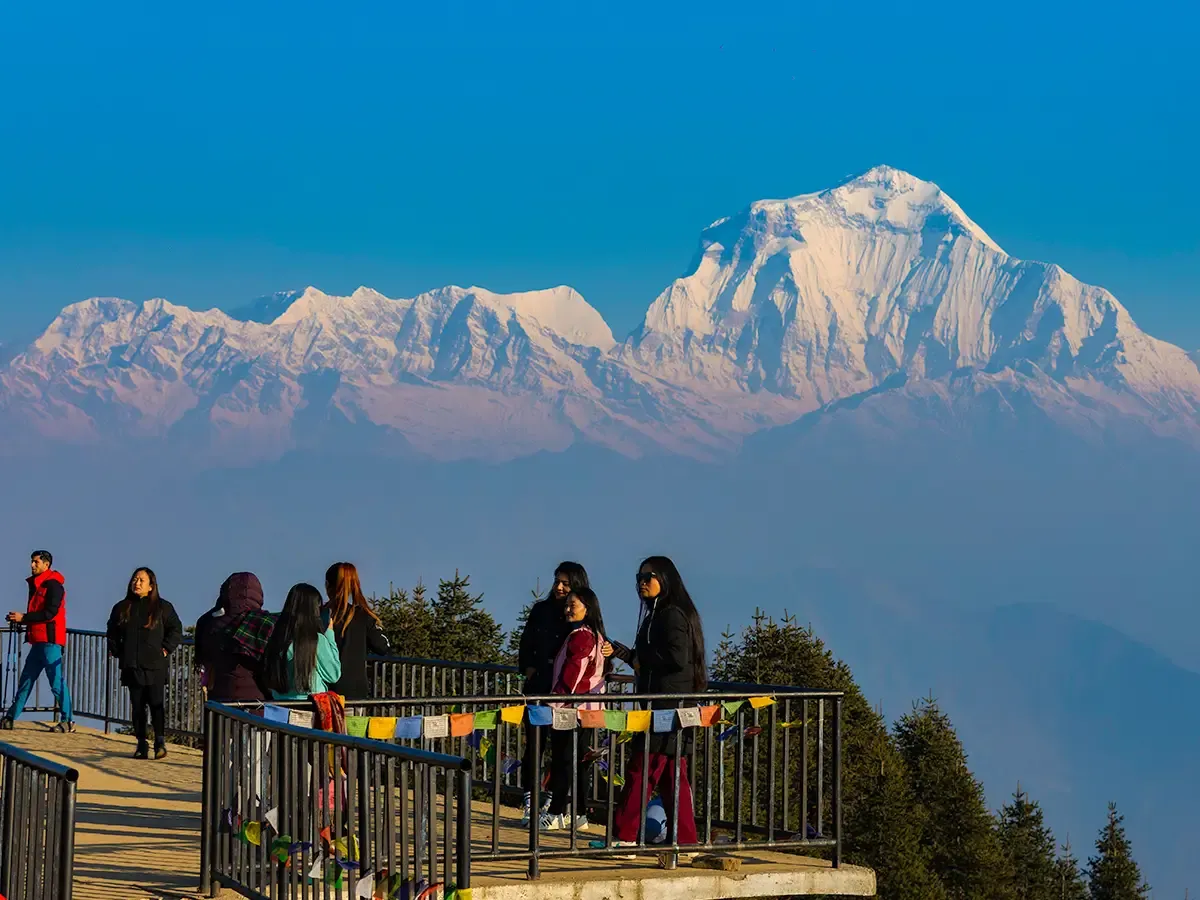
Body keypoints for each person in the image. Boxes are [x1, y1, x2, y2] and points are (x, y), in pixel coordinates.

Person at [607, 556, 706, 847]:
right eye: (638, 577)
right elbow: (652, 659)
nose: (642, 582)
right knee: (672, 779)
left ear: (665, 579)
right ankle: (686, 842)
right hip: (665, 707)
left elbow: (677, 658)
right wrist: (628, 656)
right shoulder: (657, 613)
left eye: (648, 577)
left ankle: (625, 838)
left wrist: (642, 659)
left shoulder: (671, 614)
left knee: (642, 772)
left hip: (666, 709)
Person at [516, 561, 590, 825]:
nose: (559, 587)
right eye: (557, 581)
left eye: (566, 583)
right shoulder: (541, 610)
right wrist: (529, 670)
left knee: (561, 750)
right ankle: (530, 799)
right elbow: (526, 642)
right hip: (539, 684)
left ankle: (551, 801)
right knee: (534, 746)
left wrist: (610, 652)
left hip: (565, 692)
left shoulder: (581, 615)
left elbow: (594, 646)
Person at [541, 586, 609, 831]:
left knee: (564, 760)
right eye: (567, 605)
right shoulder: (597, 636)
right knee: (579, 761)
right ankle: (579, 814)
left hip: (572, 708)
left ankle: (556, 812)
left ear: (587, 609)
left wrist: (554, 701)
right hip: (590, 708)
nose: (568, 609)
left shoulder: (581, 636)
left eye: (573, 605)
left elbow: (573, 673)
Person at [105, 567, 183, 759]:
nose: (137, 583)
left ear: (151, 585)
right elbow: (112, 632)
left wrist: (165, 649)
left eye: (141, 580)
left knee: (156, 704)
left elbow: (175, 629)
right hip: (132, 665)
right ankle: (141, 743)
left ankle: (160, 742)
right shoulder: (122, 607)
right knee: (138, 706)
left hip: (155, 665)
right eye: (135, 579)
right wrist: (118, 651)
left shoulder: (163, 607)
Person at [1, 550, 74, 732]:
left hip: (50, 641)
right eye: (32, 562)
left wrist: (24, 618)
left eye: (36, 562)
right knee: (26, 680)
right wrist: (21, 619)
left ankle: (68, 720)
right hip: (38, 640)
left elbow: (50, 613)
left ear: (46, 564)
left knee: (56, 682)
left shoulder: (54, 585)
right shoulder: (38, 584)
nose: (32, 565)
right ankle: (9, 717)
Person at [194, 572, 274, 703]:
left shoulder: (207, 621)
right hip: (256, 700)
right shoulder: (264, 622)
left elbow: (203, 658)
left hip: (219, 698)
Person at [261, 583, 342, 701]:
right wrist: (329, 634)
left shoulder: (276, 638)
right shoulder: (317, 640)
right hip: (311, 704)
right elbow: (333, 674)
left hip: (280, 704)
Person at [323, 562, 390, 700]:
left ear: (327, 585)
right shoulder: (362, 616)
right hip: (354, 692)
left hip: (322, 692)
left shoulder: (318, 615)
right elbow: (382, 647)